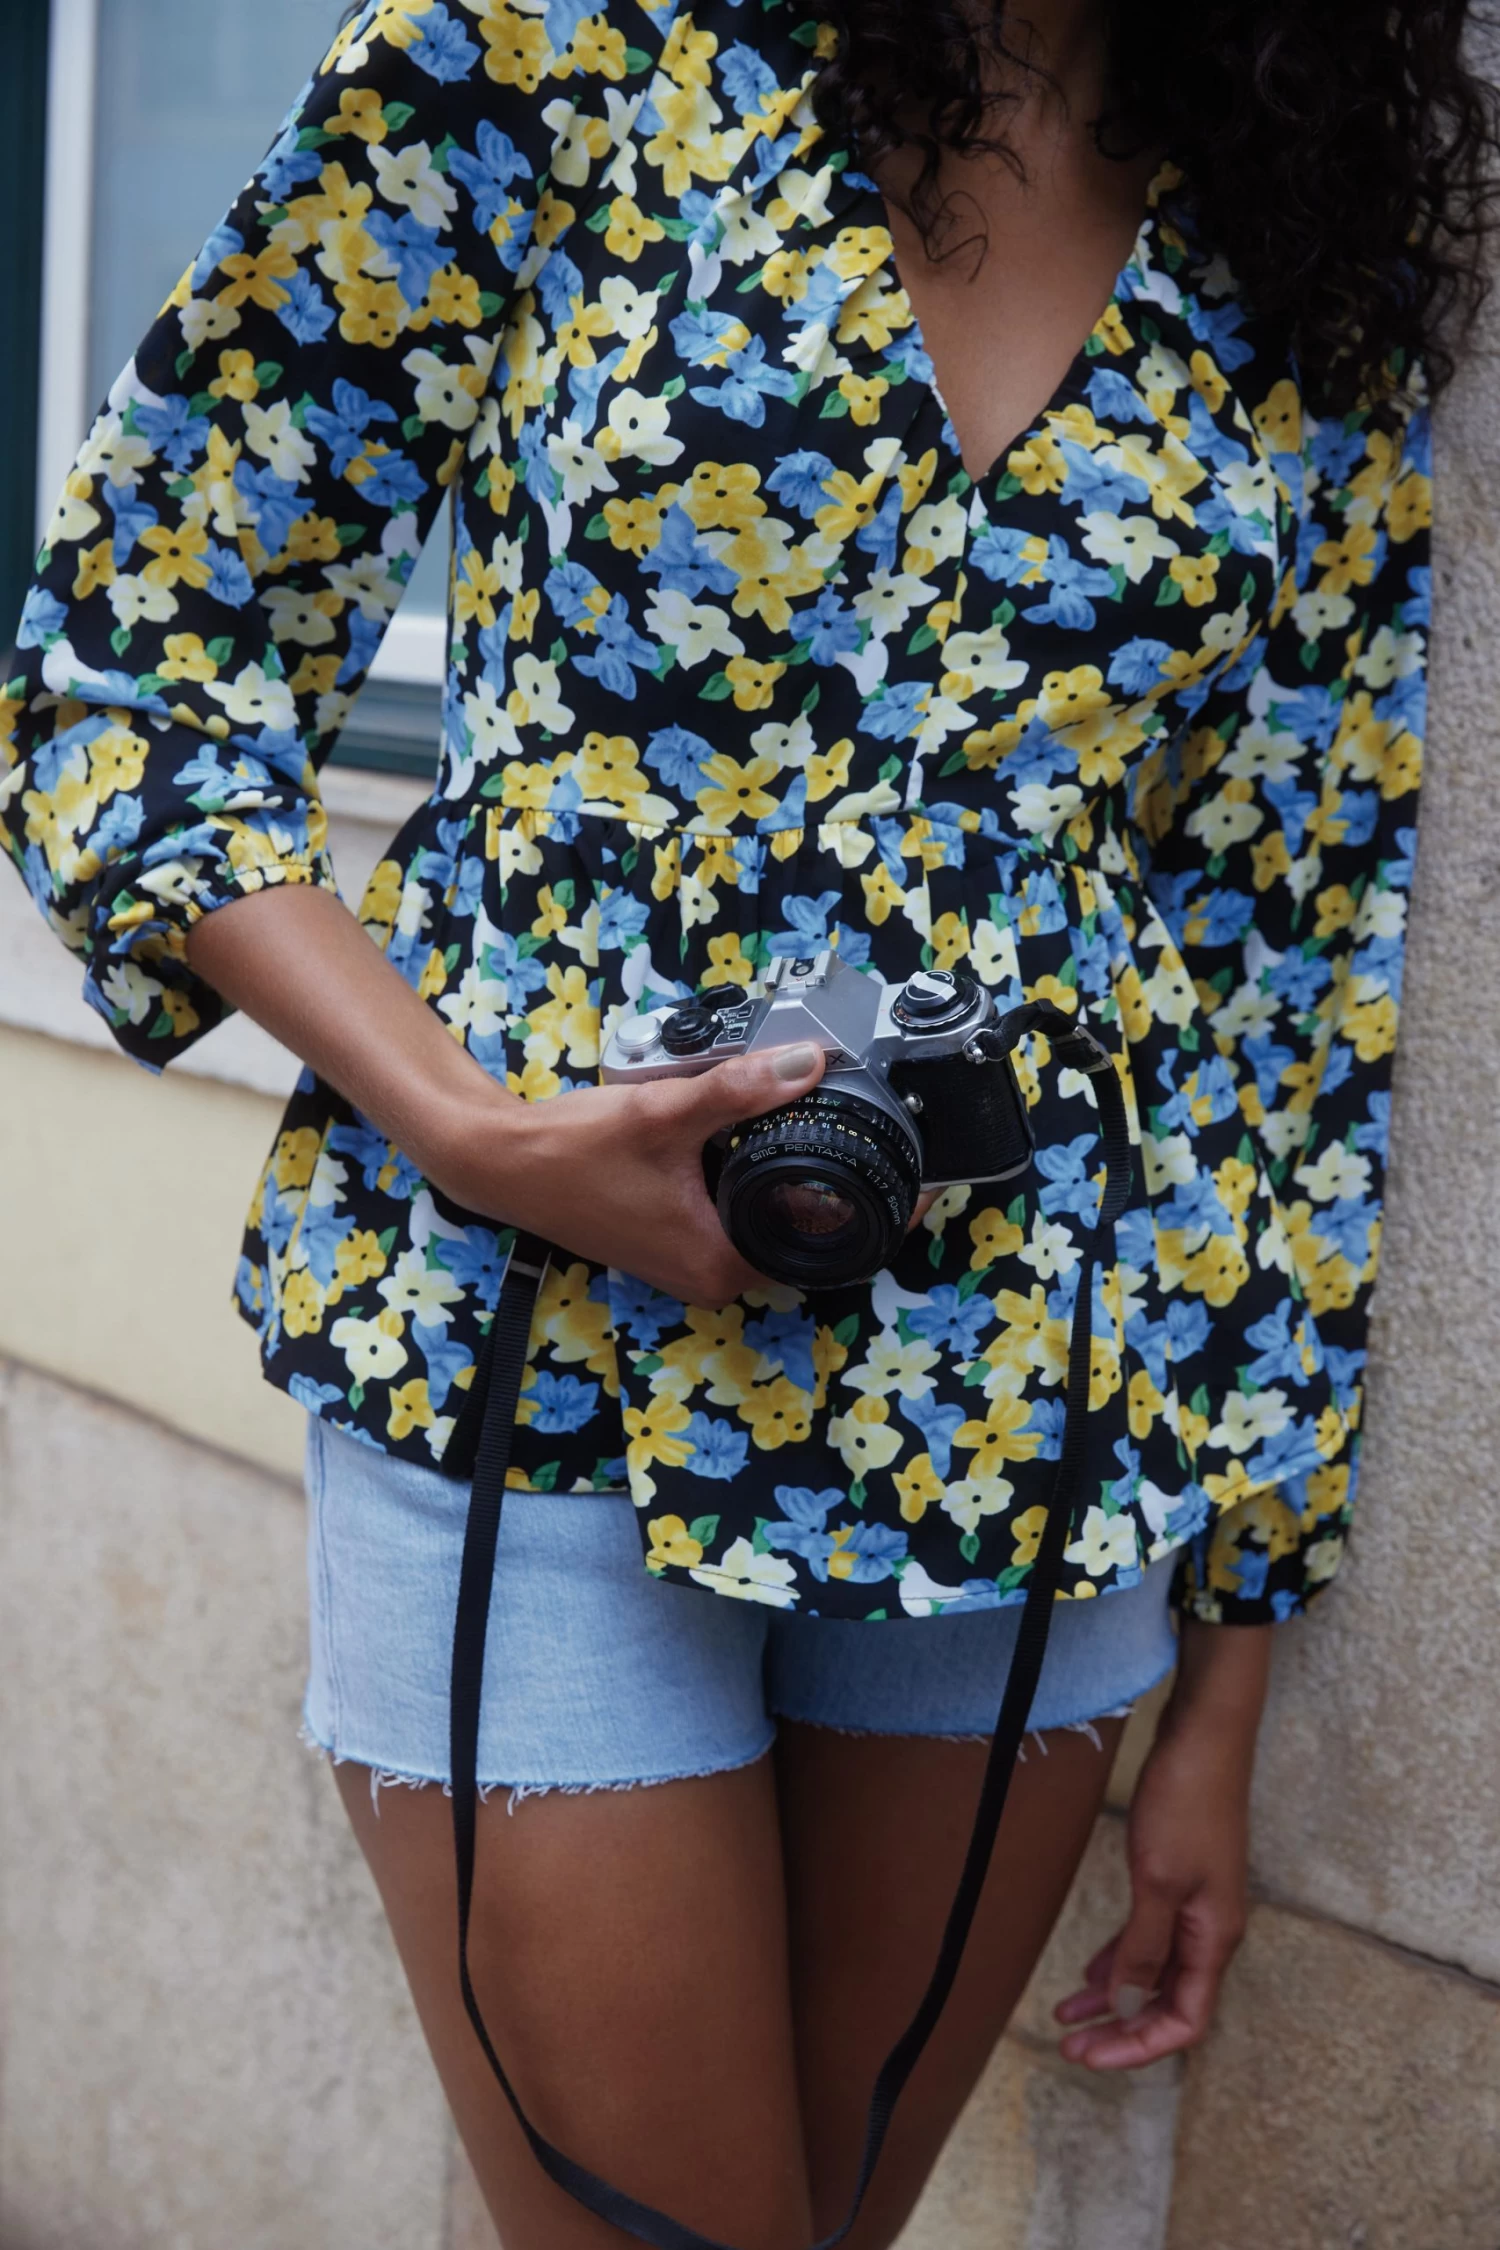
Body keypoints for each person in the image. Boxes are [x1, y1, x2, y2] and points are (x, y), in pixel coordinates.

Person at [2, 0, 1488, 2241]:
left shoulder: (1298, 230)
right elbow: (133, 660)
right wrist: (472, 1128)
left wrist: (1230, 1673)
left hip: (1028, 1447)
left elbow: (1284, 979)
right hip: (539, 1365)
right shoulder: (550, 51)